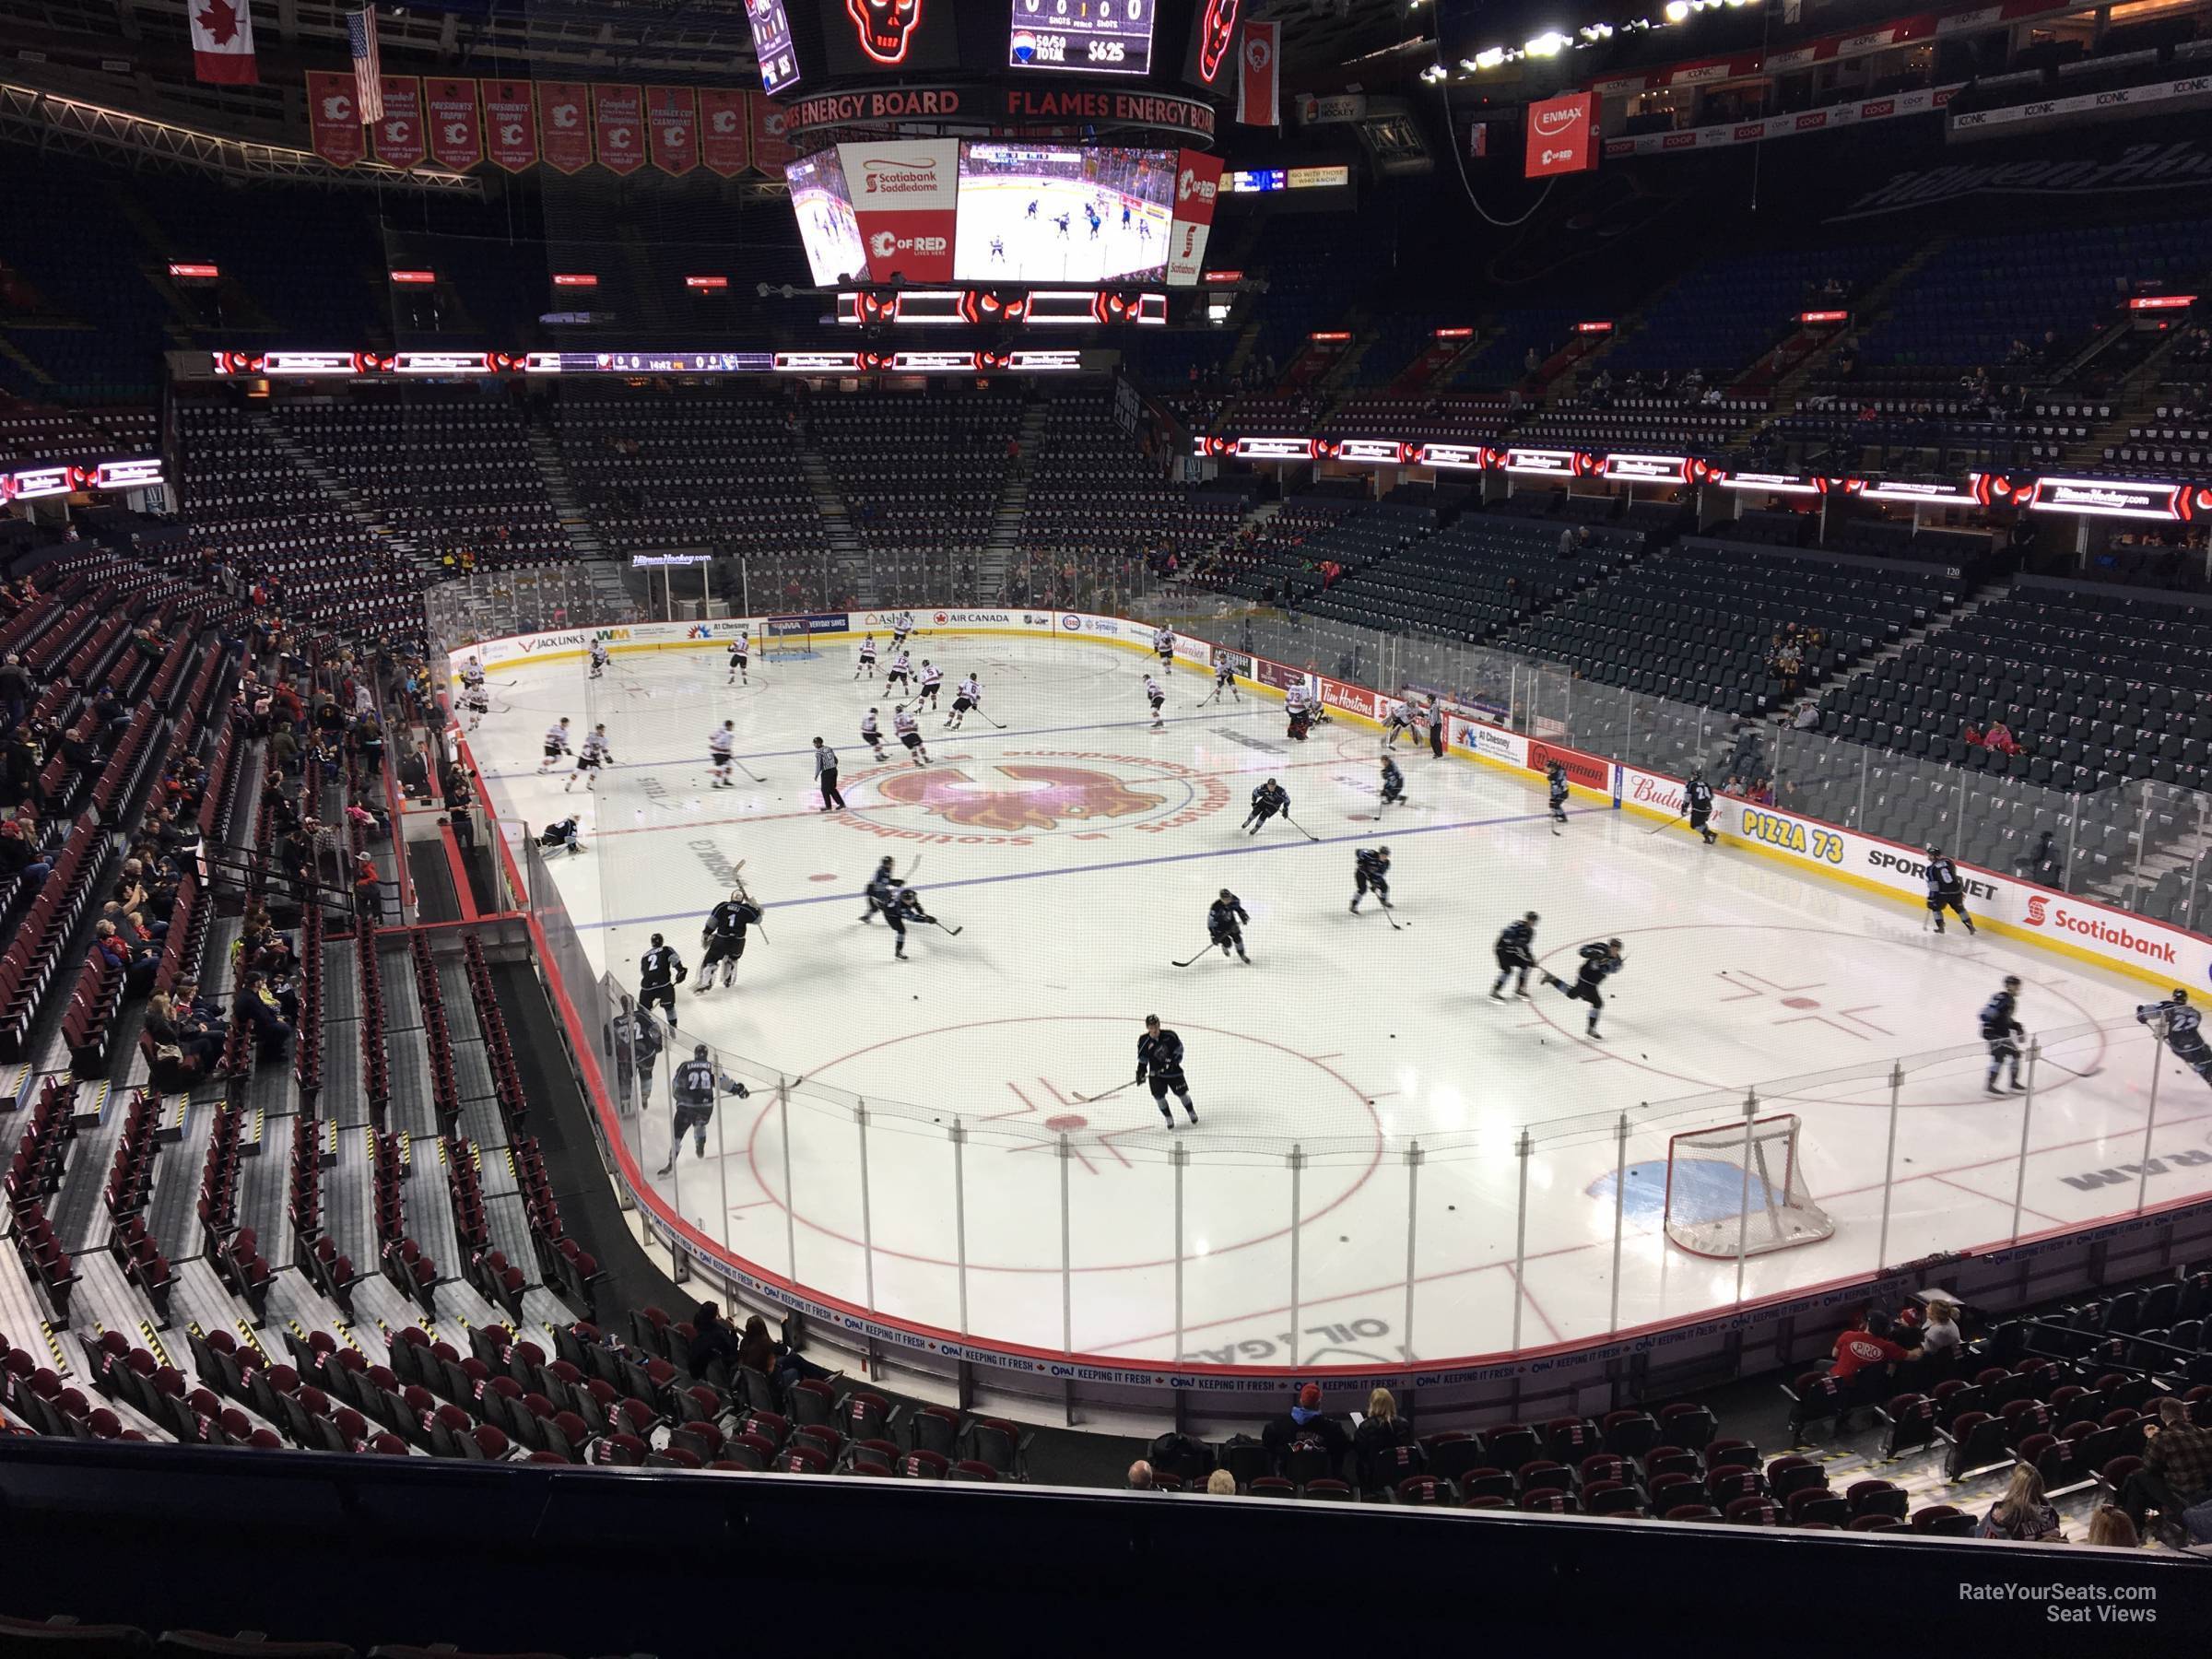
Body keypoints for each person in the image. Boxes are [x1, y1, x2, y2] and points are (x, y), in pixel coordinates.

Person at [2121, 1395, 2212, 1536]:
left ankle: (2131, 1530)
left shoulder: (2162, 1439)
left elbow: (2148, 1466)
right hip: (2208, 1491)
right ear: (2185, 1415)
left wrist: (2152, 1439)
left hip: (2186, 1497)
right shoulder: (2206, 1433)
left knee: (2138, 1477)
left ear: (2163, 1417)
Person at [657, 1042, 751, 1175]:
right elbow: (724, 1082)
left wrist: (681, 1098)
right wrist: (739, 1090)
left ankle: (670, 1164)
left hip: (686, 1106)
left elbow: (676, 1086)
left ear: (695, 1055)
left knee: (677, 1135)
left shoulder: (685, 1066)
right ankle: (700, 1146)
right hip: (705, 1107)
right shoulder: (711, 1067)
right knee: (700, 1123)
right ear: (706, 1055)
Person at [1827, 1311, 1922, 1431]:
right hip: (1864, 1387)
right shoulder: (1887, 1347)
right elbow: (1914, 1356)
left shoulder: (1848, 1335)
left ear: (1868, 1324)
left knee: (1819, 1364)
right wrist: (1919, 1344)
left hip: (1839, 1382)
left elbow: (1834, 1354)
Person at [1542, 939, 1625, 1040]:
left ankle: (1552, 979)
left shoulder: (1617, 962)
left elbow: (1609, 969)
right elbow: (1582, 950)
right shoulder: (1601, 948)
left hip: (1593, 983)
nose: (1613, 949)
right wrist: (1592, 953)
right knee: (1597, 1003)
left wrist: (1602, 962)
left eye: (1616, 947)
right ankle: (1591, 1030)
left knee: (1572, 994)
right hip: (1585, 978)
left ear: (1619, 949)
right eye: (1612, 946)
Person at [1263, 1382, 1349, 1474]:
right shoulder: (1333, 1428)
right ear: (1319, 1403)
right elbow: (1344, 1447)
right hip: (1321, 1481)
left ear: (1301, 1401)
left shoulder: (1280, 1425)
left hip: (1289, 1479)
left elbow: (1268, 1443)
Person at [2136, 990, 2212, 1088]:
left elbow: (2149, 1011)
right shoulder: (2195, 1012)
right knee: (2207, 1062)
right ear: (2186, 999)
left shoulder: (2168, 1006)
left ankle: (2202, 1070)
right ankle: (2206, 1074)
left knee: (2194, 1058)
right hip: (2197, 1045)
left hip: (2178, 1047)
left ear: (2173, 998)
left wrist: (2141, 1013)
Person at [1353, 1387, 1420, 1489]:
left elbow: (1360, 1451)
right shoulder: (1404, 1424)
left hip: (1375, 1476)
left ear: (1372, 1404)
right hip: (1402, 1474)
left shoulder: (1365, 1427)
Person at [1136, 1014, 1196, 1129]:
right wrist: (1141, 1071)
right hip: (1156, 1075)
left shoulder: (1170, 1036)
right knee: (1159, 1097)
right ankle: (1168, 1117)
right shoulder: (1144, 1040)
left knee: (1182, 1094)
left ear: (1159, 1025)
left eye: (1155, 1026)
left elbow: (1179, 1050)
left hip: (1173, 1072)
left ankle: (1191, 1111)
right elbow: (1143, 1059)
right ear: (1147, 1027)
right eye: (1151, 1027)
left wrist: (1173, 1061)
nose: (1154, 1029)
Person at [700, 888, 764, 990]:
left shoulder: (723, 906)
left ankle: (707, 979)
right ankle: (728, 974)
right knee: (733, 958)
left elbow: (712, 921)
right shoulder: (746, 909)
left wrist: (707, 932)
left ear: (731, 897)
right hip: (737, 942)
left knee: (711, 958)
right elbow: (758, 920)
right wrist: (755, 906)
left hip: (721, 940)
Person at [1978, 1465, 2062, 1542]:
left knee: (1970, 1529)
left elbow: (1986, 1542)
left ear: (2015, 1484)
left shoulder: (2002, 1513)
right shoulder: (2051, 1513)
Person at [606, 1005, 664, 1112]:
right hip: (645, 1054)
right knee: (646, 1073)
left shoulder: (617, 1021)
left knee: (625, 1078)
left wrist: (610, 1052)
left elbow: (609, 1040)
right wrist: (658, 1046)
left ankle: (625, 1102)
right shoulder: (642, 1016)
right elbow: (655, 1030)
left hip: (626, 1058)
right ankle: (645, 1097)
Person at [1982, 976, 2026, 1095]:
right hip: (1995, 1034)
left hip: (2002, 1034)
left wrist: (2016, 1026)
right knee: (2000, 1057)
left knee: (2014, 1055)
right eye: (2015, 985)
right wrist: (1988, 1029)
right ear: (2009, 986)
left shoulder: (2010, 1000)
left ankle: (2012, 1084)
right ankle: (1990, 1087)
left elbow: (2005, 1018)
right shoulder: (2003, 997)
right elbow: (1986, 1014)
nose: (2018, 988)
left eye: (2018, 986)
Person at [639, 933, 687, 1028]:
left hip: (647, 988)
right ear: (662, 941)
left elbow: (643, 972)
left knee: (644, 1012)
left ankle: (645, 1030)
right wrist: (680, 970)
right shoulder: (666, 949)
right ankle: (673, 1029)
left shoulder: (644, 956)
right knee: (669, 1008)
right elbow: (675, 959)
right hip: (664, 985)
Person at [684, 1299, 742, 1378]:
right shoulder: (718, 1334)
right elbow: (732, 1346)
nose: (720, 1317)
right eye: (718, 1315)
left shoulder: (699, 1325)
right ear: (713, 1318)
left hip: (697, 1364)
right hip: (710, 1368)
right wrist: (733, 1330)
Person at [1924, 845, 1975, 935]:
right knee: (1960, 909)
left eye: (1929, 855)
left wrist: (1931, 898)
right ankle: (1970, 926)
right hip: (1956, 892)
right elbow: (1954, 876)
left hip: (1943, 894)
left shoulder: (1931, 869)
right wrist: (1960, 891)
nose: (1928, 856)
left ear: (1933, 856)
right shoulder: (1949, 862)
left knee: (1935, 908)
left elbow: (1934, 886)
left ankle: (1940, 927)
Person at [1492, 912, 1540, 999]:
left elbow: (1525, 947)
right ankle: (1495, 992)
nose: (1531, 922)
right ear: (1527, 919)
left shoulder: (1531, 932)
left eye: (1533, 921)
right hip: (1502, 950)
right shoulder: (1517, 925)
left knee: (1525, 966)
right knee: (1507, 970)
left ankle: (1519, 990)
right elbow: (1506, 934)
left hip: (1513, 952)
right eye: (1530, 920)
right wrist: (1527, 958)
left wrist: (1531, 959)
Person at [566, 724, 613, 793]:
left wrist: (607, 757)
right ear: (597, 729)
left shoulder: (604, 740)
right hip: (585, 757)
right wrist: (590, 754)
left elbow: (603, 749)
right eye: (600, 729)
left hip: (595, 758)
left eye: (603, 729)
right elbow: (586, 746)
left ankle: (588, 785)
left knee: (595, 771)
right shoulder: (591, 736)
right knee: (577, 771)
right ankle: (569, 783)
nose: (602, 731)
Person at [1207, 888, 1250, 964]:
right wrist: (1214, 935)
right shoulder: (1216, 907)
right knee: (1228, 943)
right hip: (1220, 928)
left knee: (1238, 938)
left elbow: (1239, 909)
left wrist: (1243, 915)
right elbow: (1211, 923)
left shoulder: (1234, 901)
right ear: (1221, 899)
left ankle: (1242, 955)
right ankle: (1225, 946)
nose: (1228, 901)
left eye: (1229, 898)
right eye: (1225, 899)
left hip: (1231, 924)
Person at [1350, 846, 1392, 914]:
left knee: (1384, 887)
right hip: (1362, 873)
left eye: (1386, 856)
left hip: (1373, 875)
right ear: (1379, 853)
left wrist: (1374, 884)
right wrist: (1360, 862)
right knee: (1362, 889)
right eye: (1382, 855)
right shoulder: (1371, 854)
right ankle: (1353, 905)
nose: (1384, 857)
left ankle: (1384, 901)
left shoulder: (1386, 864)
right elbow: (1358, 851)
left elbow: (1379, 875)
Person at [1683, 771, 1717, 846]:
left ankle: (1711, 834)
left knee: (1694, 825)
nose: (1691, 777)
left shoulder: (1691, 784)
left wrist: (1684, 808)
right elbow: (1711, 796)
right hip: (1708, 807)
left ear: (1695, 776)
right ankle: (1707, 838)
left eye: (1693, 775)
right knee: (1701, 823)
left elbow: (1687, 797)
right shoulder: (1706, 784)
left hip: (1699, 808)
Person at [812, 736, 845, 812]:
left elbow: (819, 764)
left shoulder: (819, 752)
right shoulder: (829, 748)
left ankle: (828, 807)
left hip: (827, 772)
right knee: (832, 789)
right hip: (834, 770)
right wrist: (833, 767)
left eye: (815, 743)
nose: (814, 745)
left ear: (818, 743)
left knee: (824, 790)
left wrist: (816, 774)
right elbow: (835, 759)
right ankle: (841, 803)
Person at [1547, 758, 1569, 833]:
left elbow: (1556, 789)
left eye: (1548, 768)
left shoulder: (1555, 778)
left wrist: (1553, 797)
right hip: (1561, 790)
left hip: (1562, 793)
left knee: (1555, 805)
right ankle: (1556, 814)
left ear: (1552, 768)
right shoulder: (1560, 770)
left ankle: (1563, 817)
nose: (1546, 769)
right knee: (1552, 803)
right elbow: (1561, 770)